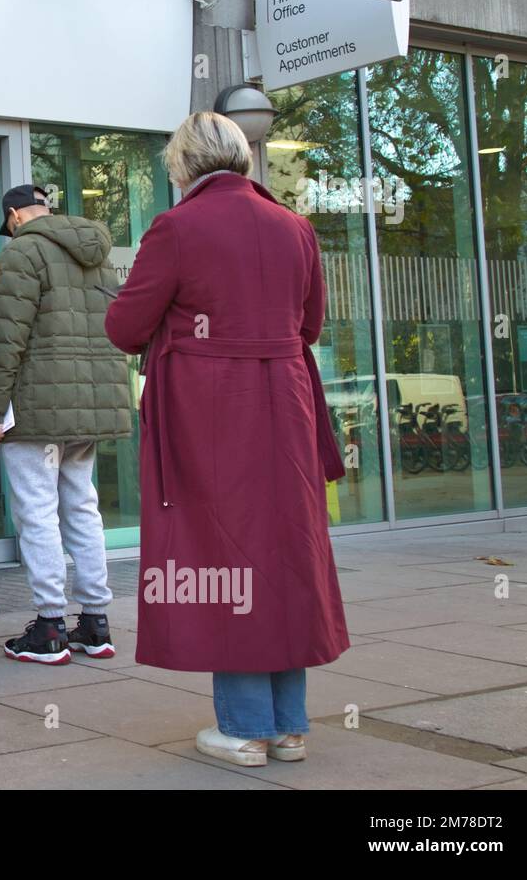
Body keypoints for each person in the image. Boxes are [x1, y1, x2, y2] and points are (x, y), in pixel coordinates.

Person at [104, 111, 349, 767]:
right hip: (288, 403)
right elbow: (312, 322)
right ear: (241, 157)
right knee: (287, 549)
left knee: (226, 551)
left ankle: (245, 728)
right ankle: (289, 726)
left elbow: (125, 327)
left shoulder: (178, 227)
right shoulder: (295, 227)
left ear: (183, 165)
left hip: (212, 410)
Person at [0, 185, 130, 665]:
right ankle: (94, 622)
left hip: (39, 408)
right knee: (83, 508)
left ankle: (48, 626)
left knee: (38, 511)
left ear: (14, 217)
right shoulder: (98, 254)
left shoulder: (22, 252)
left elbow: (7, 340)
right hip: (89, 406)